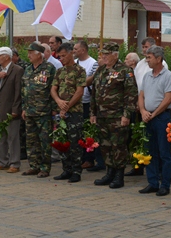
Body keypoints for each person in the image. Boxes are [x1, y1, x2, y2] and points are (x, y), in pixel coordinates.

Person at [90, 42, 138, 189]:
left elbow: (131, 94)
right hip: (102, 116)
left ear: (115, 55)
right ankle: (109, 172)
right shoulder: (101, 70)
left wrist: (127, 115)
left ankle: (119, 175)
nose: (103, 56)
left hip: (117, 116)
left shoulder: (125, 71)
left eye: (106, 54)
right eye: (102, 54)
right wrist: (93, 113)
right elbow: (94, 93)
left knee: (118, 146)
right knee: (105, 146)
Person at [138, 45, 171, 197]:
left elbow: (167, 99)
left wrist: (153, 114)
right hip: (148, 117)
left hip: (162, 117)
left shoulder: (169, 76)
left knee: (164, 152)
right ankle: (152, 182)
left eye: (149, 57)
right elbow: (141, 95)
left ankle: (165, 184)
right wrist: (143, 111)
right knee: (150, 151)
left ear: (159, 59)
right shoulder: (147, 76)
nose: (147, 60)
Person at [51, 43, 86, 183]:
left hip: (75, 112)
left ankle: (76, 171)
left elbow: (79, 91)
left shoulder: (79, 71)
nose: (61, 59)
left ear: (72, 53)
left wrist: (67, 106)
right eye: (60, 56)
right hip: (61, 111)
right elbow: (53, 89)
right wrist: (59, 101)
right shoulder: (60, 71)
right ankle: (66, 169)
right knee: (62, 140)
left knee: (75, 142)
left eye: (64, 56)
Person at [22, 42, 57, 178]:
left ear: (39, 55)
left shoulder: (49, 68)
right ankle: (34, 166)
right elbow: (23, 90)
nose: (28, 55)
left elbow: (54, 89)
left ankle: (45, 167)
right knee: (31, 141)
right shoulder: (28, 69)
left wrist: (54, 109)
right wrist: (24, 108)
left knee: (44, 141)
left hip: (44, 112)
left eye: (31, 53)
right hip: (29, 111)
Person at [0, 46, 24, 173]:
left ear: (7, 57)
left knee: (12, 138)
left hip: (11, 109)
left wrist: (16, 109)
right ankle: (2, 161)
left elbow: (18, 91)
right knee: (0, 137)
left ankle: (15, 163)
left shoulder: (17, 70)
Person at [73, 40, 101, 172]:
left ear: (83, 50)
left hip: (87, 101)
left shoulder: (93, 63)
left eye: (76, 49)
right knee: (79, 131)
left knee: (88, 132)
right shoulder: (75, 63)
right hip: (76, 102)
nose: (74, 51)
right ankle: (82, 157)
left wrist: (78, 82)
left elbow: (91, 80)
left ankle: (89, 158)